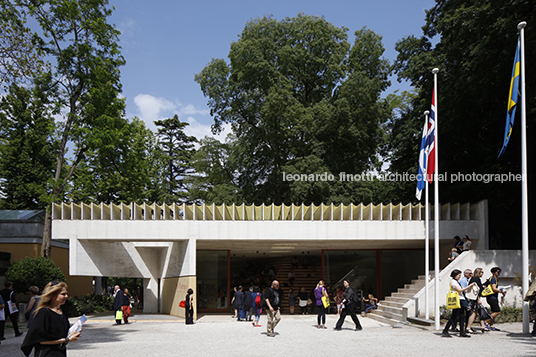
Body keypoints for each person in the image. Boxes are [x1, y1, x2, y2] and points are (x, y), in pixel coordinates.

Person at [20, 281, 82, 356]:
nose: (66, 296)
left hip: (60, 352)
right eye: (63, 294)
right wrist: (65, 340)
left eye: (66, 294)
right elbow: (40, 339)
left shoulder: (63, 312)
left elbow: (62, 332)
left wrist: (72, 334)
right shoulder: (44, 312)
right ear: (52, 296)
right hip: (47, 353)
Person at [441, 269, 476, 338]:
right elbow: (459, 290)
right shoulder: (454, 282)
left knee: (461, 316)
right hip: (458, 300)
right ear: (455, 275)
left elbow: (463, 290)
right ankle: (446, 330)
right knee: (454, 316)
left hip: (460, 300)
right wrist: (470, 286)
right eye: (458, 275)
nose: (459, 276)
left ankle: (462, 331)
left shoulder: (456, 282)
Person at [466, 267, 489, 333]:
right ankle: (468, 327)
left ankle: (483, 326)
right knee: (474, 313)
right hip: (475, 299)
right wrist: (478, 299)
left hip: (474, 299)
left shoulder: (473, 279)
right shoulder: (476, 279)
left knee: (480, 312)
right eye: (481, 272)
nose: (482, 273)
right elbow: (476, 291)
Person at [484, 267, 506, 331]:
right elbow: (494, 288)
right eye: (497, 272)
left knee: (494, 312)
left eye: (499, 272)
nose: (499, 273)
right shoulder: (493, 279)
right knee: (497, 312)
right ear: (493, 272)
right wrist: (501, 291)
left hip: (493, 297)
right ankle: (486, 322)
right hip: (492, 297)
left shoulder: (495, 279)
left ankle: (491, 325)